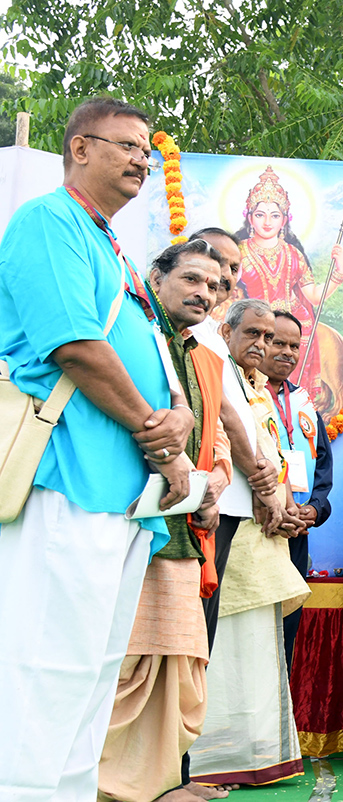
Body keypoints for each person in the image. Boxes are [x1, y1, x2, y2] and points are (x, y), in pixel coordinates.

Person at [0, 97, 192, 801]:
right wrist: (160, 437)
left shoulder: (109, 241)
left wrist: (176, 416)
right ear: (80, 149)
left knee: (90, 675)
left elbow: (146, 350)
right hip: (63, 481)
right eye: (128, 145)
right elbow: (75, 347)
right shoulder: (48, 221)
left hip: (120, 498)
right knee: (40, 673)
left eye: (149, 149)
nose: (144, 159)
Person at [98, 240, 227, 802]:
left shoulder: (195, 351)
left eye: (216, 286)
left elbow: (211, 430)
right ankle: (105, 784)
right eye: (193, 279)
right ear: (156, 275)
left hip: (180, 527)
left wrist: (214, 481)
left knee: (175, 659)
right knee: (124, 662)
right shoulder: (134, 331)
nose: (205, 293)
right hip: (127, 518)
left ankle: (155, 783)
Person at [188, 299, 310, 786]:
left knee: (257, 644)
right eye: (256, 335)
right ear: (227, 330)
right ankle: (209, 759)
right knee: (220, 643)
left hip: (262, 532)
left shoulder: (256, 387)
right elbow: (229, 439)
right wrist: (268, 495)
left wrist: (284, 506)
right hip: (226, 522)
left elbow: (275, 457)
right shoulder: (214, 364)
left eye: (272, 337)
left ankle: (254, 755)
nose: (262, 345)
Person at [236, 167, 343, 410]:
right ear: (250, 217)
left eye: (275, 216)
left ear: (284, 220)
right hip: (257, 327)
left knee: (292, 399)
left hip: (296, 330)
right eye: (260, 215)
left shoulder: (293, 254)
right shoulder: (240, 251)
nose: (267, 222)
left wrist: (337, 272)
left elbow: (314, 297)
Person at [261, 309, 334, 668]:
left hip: (297, 533)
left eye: (294, 345)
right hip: (258, 528)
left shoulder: (303, 402)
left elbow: (323, 468)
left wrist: (315, 509)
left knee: (286, 634)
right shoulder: (246, 395)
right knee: (254, 629)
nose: (288, 352)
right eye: (278, 342)